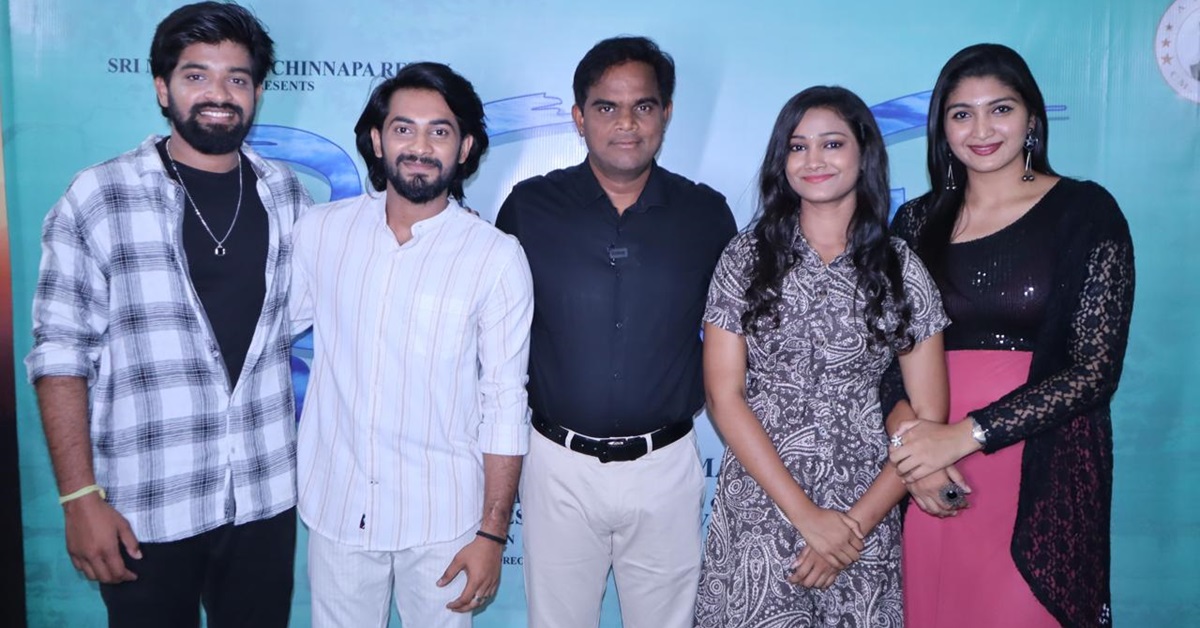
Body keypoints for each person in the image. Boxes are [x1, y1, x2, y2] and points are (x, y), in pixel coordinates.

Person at [25, 2, 311, 626]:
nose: (219, 94)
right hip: (145, 504)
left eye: (237, 78)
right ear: (162, 87)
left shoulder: (288, 196)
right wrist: (79, 498)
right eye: (196, 75)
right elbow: (60, 354)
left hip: (263, 496)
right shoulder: (98, 196)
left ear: (258, 93)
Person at [885, 43, 1135, 627]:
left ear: (1031, 119)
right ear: (942, 127)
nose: (981, 130)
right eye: (962, 113)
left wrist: (965, 436)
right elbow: (885, 356)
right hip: (930, 468)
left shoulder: (1085, 210)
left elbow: (1095, 370)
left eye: (1000, 109)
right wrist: (912, 447)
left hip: (1038, 465)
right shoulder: (915, 222)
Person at [495, 36, 736, 628]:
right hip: (557, 465)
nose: (626, 123)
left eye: (643, 106)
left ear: (666, 114)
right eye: (606, 107)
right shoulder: (529, 208)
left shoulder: (706, 214)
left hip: (666, 464)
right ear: (579, 117)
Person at [693, 85, 949, 626]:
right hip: (762, 501)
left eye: (831, 144)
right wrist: (807, 517)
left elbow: (929, 417)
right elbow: (723, 395)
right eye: (797, 146)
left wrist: (853, 527)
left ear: (864, 153)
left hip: (867, 504)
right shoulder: (745, 257)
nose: (813, 160)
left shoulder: (902, 267)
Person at [290, 62, 533, 628]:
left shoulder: (495, 257)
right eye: (403, 129)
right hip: (338, 507)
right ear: (377, 140)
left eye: (439, 131)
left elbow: (505, 401)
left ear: (464, 147)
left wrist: (492, 534)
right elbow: (264, 332)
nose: (420, 147)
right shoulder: (320, 233)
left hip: (443, 520)